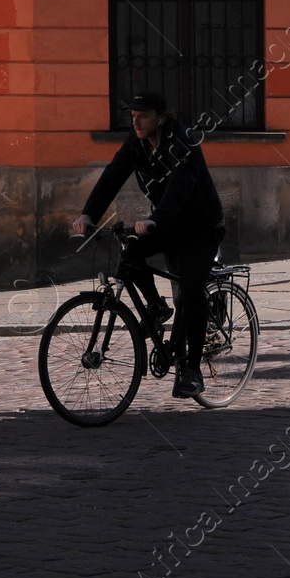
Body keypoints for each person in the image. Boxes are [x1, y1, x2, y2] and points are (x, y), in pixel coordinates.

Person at [73, 93, 225, 400]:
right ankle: (155, 307)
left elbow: (180, 186)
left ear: (162, 117)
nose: (136, 121)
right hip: (168, 225)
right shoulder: (136, 143)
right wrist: (89, 213)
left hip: (202, 228)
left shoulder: (184, 142)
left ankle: (193, 371)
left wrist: (155, 218)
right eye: (132, 116)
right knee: (130, 252)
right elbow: (113, 175)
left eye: (142, 116)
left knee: (192, 292)